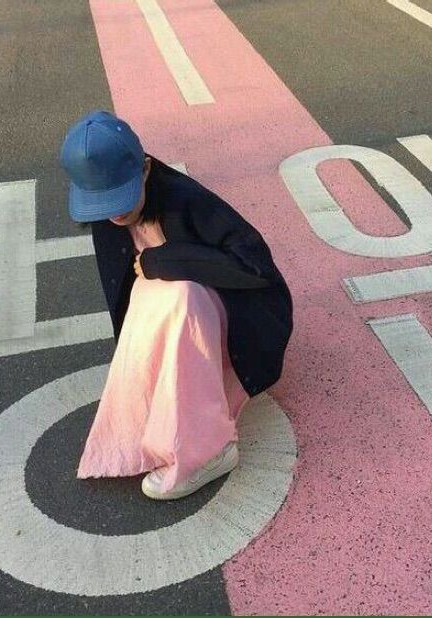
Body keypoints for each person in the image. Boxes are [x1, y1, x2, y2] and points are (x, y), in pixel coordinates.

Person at [59, 110, 293, 500]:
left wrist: (166, 260)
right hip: (190, 331)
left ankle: (209, 450)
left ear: (146, 168)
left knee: (180, 293)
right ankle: (162, 415)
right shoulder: (107, 215)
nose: (115, 212)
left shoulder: (187, 201)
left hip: (240, 325)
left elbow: (256, 269)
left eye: (120, 194)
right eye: (100, 200)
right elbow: (124, 298)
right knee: (152, 291)